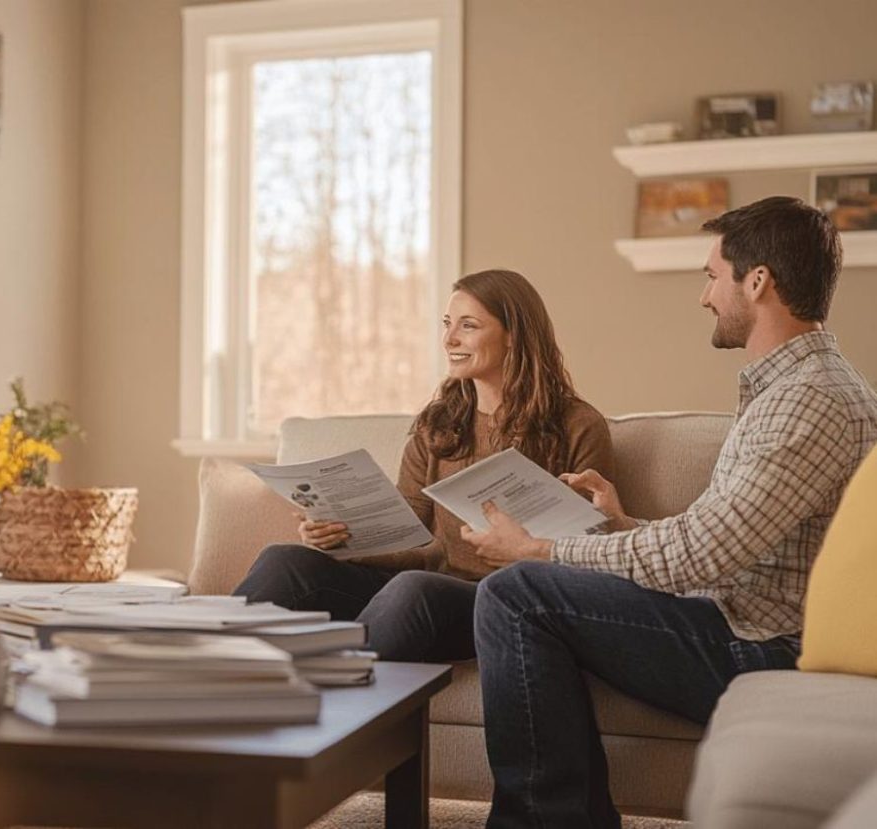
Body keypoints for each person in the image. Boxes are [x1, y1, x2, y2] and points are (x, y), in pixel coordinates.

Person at [462, 196, 877, 828]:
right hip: (747, 619)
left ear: (757, 281)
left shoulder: (807, 401)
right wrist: (624, 526)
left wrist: (539, 549)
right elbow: (722, 538)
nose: (705, 296)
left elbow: (699, 556)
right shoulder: (801, 389)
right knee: (522, 588)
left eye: (713, 276)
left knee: (516, 592)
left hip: (763, 646)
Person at [233, 269, 614, 662]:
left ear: (514, 334)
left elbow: (588, 548)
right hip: (417, 588)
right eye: (448, 324)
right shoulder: (439, 423)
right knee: (284, 560)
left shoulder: (578, 425)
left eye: (468, 326)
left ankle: (343, 692)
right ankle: (206, 675)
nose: (449, 340)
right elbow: (411, 539)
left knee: (414, 589)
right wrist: (341, 540)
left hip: (496, 599)